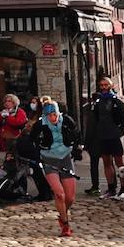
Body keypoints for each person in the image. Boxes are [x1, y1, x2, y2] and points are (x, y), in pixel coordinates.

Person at [34, 100, 81, 236]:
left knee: (70, 198)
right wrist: (38, 155)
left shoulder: (67, 121)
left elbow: (77, 135)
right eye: (49, 115)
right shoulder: (40, 125)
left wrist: (77, 149)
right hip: (49, 159)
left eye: (54, 114)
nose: (52, 118)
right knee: (60, 194)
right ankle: (65, 225)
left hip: (66, 158)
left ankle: (62, 214)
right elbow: (31, 140)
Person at [85, 78, 124, 197]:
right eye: (101, 85)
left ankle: (123, 189)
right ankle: (111, 188)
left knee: (120, 164)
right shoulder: (98, 101)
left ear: (110, 86)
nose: (103, 87)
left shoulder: (116, 101)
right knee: (106, 163)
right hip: (102, 136)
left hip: (113, 136)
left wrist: (120, 131)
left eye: (106, 85)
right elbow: (95, 119)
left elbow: (123, 116)